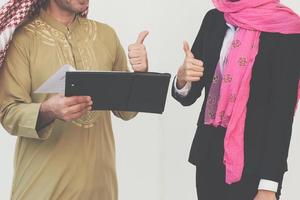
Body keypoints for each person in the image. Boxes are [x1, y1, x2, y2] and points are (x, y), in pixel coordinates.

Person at [0, 0, 148, 199]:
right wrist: (48, 110)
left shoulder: (106, 35)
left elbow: (127, 111)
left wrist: (141, 75)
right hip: (42, 190)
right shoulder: (23, 39)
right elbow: (8, 113)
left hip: (101, 189)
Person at [172, 0, 300, 199]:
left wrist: (268, 185)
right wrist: (182, 78)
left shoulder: (286, 29)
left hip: (255, 167)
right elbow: (189, 95)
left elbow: (282, 114)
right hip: (208, 159)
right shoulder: (214, 19)